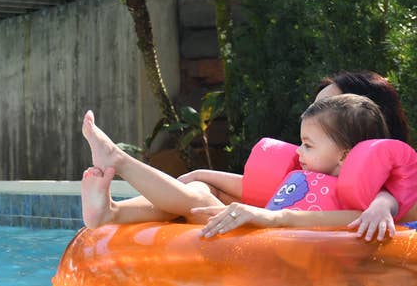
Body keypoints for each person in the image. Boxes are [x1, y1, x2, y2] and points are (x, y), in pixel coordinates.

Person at [80, 94, 415, 240]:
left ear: (345, 154)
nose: (298, 151)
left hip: (281, 246)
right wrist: (203, 174)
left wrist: (384, 205)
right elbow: (259, 189)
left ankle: (120, 161)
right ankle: (112, 212)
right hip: (264, 234)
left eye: (308, 145)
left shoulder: (369, 196)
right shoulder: (310, 174)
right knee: (198, 192)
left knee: (201, 205)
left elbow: (382, 204)